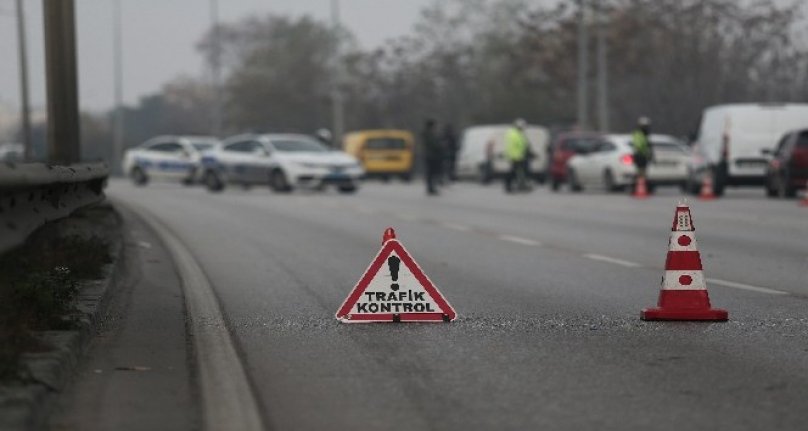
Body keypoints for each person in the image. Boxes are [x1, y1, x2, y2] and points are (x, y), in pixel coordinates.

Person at [504, 118, 530, 193]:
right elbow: (521, 144)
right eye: (523, 127)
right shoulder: (515, 134)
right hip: (517, 155)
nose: (523, 128)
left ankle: (518, 185)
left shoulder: (514, 133)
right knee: (514, 172)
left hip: (516, 155)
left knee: (517, 171)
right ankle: (511, 186)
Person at [422, 119, 443, 195]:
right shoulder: (429, 134)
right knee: (432, 173)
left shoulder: (427, 134)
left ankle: (431, 187)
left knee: (431, 173)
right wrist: (440, 146)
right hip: (432, 156)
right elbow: (434, 144)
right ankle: (431, 188)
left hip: (430, 156)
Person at [631, 117, 655, 185]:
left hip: (643, 155)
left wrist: (649, 153)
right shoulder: (638, 134)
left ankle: (642, 186)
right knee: (641, 172)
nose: (646, 128)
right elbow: (638, 145)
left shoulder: (645, 135)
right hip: (639, 155)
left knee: (643, 172)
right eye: (645, 126)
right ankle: (638, 186)